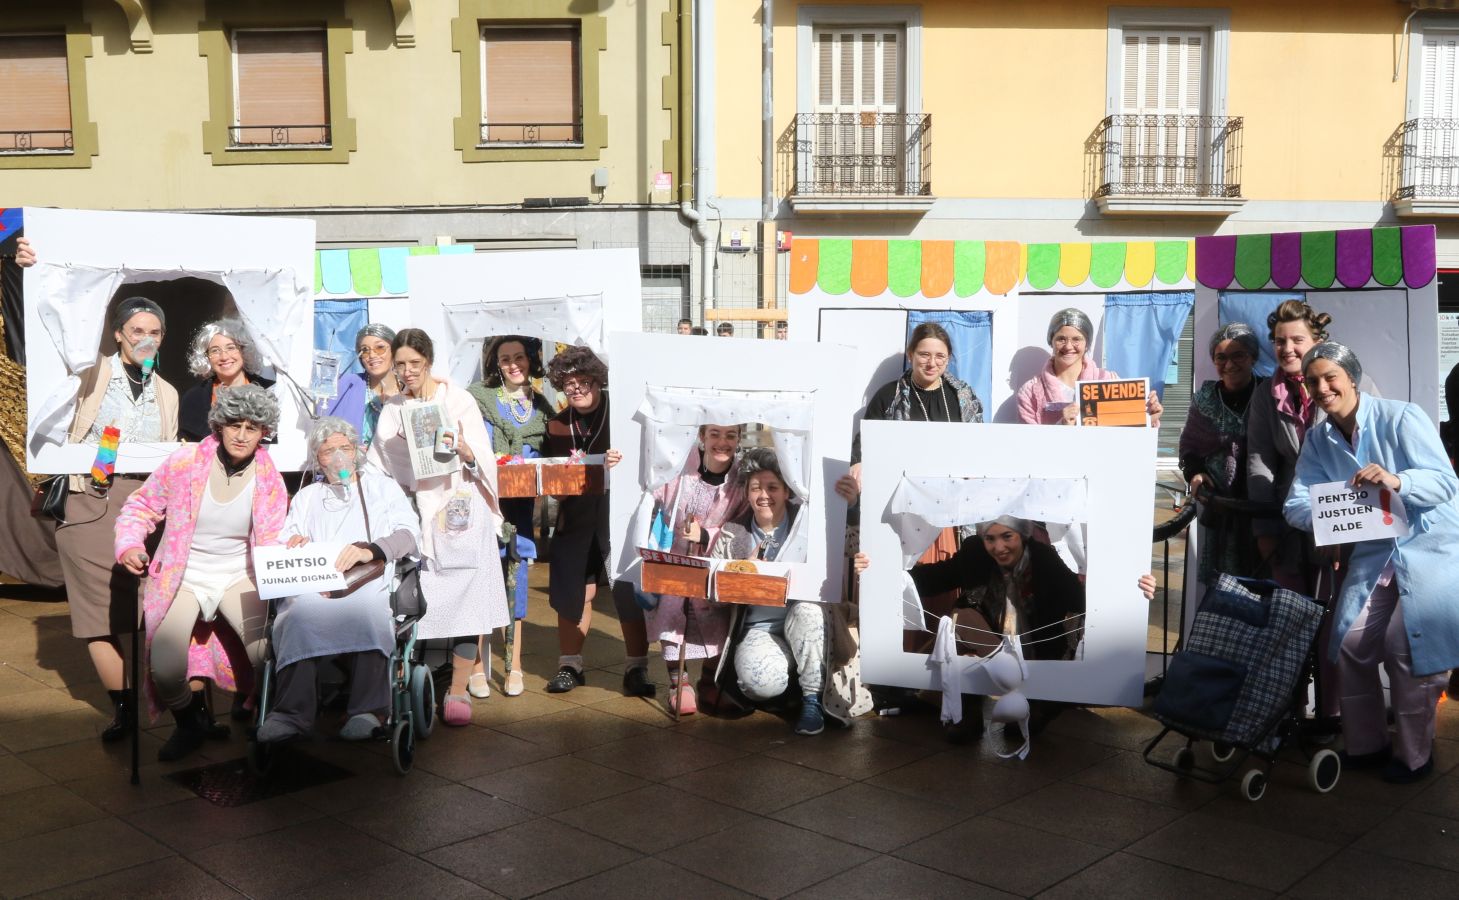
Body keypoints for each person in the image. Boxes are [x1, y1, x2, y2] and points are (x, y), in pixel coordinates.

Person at [1283, 342, 1459, 784]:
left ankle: (1415, 756)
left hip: (1430, 545)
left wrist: (1397, 480)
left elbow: (1444, 482)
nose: (1323, 388)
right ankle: (1366, 744)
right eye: (1313, 380)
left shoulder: (1401, 417)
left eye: (1331, 378)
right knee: (1350, 643)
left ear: (1351, 379)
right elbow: (1296, 503)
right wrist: (1331, 516)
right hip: (1377, 551)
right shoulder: (1319, 438)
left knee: (1406, 648)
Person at [114, 384, 287, 761]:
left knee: (267, 653)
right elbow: (141, 506)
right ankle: (191, 723)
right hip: (183, 575)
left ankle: (267, 721)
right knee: (165, 663)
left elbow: (274, 540)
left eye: (253, 427)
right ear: (219, 425)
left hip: (239, 576)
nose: (242, 435)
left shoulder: (270, 479)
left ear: (264, 433)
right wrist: (130, 545)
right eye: (234, 425)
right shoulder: (185, 461)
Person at [366, 328, 510, 725]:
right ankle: (417, 678)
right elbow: (380, 463)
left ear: (428, 362)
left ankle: (459, 689)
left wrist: (465, 450)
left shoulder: (456, 399)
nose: (408, 371)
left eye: (415, 363)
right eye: (400, 365)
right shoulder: (393, 408)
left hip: (461, 507)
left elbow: (481, 453)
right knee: (418, 598)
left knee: (468, 598)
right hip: (418, 510)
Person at [895, 520, 1156, 738]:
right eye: (990, 538)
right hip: (986, 642)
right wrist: (882, 572)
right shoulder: (975, 552)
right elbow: (932, 580)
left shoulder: (1045, 559)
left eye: (1007, 536)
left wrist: (1135, 588)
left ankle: (1039, 703)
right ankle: (966, 708)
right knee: (958, 620)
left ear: (1021, 534)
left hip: (1034, 649)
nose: (999, 547)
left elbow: (1083, 599)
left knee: (1017, 732)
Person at [55, 295, 180, 743]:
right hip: (89, 499)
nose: (146, 339)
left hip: (143, 505)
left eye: (154, 332)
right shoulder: (89, 374)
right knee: (99, 616)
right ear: (118, 333)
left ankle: (179, 703)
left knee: (154, 609)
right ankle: (123, 708)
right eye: (137, 330)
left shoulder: (167, 392)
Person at [255, 417, 421, 742]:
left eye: (345, 447)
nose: (339, 457)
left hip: (368, 581)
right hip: (316, 584)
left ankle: (368, 710)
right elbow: (287, 539)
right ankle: (291, 713)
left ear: (358, 449)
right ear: (318, 458)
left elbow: (409, 534)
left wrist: (371, 550)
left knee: (369, 611)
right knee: (299, 616)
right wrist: (294, 544)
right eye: (329, 450)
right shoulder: (307, 497)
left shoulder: (381, 487)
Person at [840, 322, 984, 651]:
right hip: (902, 512)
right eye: (924, 355)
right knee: (904, 581)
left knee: (942, 583)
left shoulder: (961, 398)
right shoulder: (888, 396)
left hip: (946, 514)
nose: (931, 363)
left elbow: (978, 448)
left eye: (940, 356)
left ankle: (939, 653)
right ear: (911, 355)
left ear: (948, 360)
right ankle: (898, 659)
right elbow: (865, 446)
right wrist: (860, 462)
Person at [540, 345, 654, 696]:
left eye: (583, 381)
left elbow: (644, 458)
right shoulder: (557, 426)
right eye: (568, 383)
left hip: (616, 517)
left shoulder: (620, 415)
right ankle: (569, 665)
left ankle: (636, 668)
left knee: (626, 591)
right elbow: (550, 483)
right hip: (574, 520)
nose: (576, 389)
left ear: (597, 380)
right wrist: (556, 483)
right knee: (573, 591)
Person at [709, 448, 834, 735]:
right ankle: (789, 678)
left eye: (772, 487)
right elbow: (713, 598)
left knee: (809, 611)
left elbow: (840, 564)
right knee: (760, 684)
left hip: (803, 623)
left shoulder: (809, 526)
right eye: (756, 488)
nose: (764, 495)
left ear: (788, 490)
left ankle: (812, 699)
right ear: (746, 493)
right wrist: (741, 577)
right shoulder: (731, 533)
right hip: (758, 629)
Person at [466, 335, 556, 697]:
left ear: (531, 361)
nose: (513, 364)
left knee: (515, 586)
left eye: (519, 357)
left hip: (519, 510)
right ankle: (475, 665)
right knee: (479, 581)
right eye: (505, 359)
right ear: (495, 364)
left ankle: (514, 664)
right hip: (483, 505)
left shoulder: (544, 408)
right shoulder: (479, 399)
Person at [646, 423, 748, 714]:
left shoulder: (741, 479)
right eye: (714, 434)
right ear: (703, 437)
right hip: (675, 560)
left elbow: (742, 524)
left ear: (739, 438)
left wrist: (706, 535)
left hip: (715, 561)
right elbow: (654, 491)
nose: (722, 442)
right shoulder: (682, 466)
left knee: (715, 618)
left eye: (731, 435)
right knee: (670, 614)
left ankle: (711, 678)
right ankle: (679, 682)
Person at [1179, 322, 1265, 581]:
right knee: (1226, 586)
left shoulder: (1270, 394)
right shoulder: (1205, 399)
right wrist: (1196, 473)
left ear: (1253, 357)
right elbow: (1190, 447)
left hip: (1264, 507)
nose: (1229, 364)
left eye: (1238, 355)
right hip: (1223, 507)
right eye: (1221, 357)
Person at [1015, 308, 1163, 426]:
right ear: (1051, 341)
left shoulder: (1109, 381)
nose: (1068, 346)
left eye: (1076, 339)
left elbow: (1126, 432)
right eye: (1061, 339)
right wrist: (1062, 426)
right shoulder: (1030, 392)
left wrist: (1148, 416)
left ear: (1087, 343)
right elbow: (1029, 445)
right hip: (1054, 464)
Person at [178, 318, 276, 442]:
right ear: (206, 357)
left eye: (231, 348)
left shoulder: (270, 391)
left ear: (244, 350)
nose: (224, 357)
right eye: (215, 350)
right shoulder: (194, 398)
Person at [321, 323, 401, 448]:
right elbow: (325, 433)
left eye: (380, 348)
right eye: (364, 350)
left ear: (395, 350)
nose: (372, 355)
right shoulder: (345, 386)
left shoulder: (410, 388)